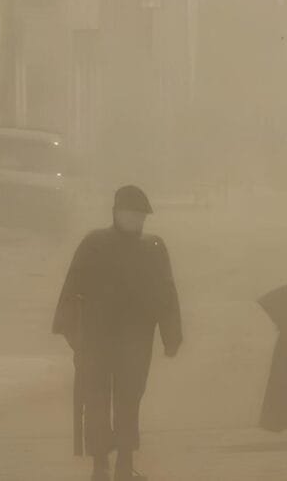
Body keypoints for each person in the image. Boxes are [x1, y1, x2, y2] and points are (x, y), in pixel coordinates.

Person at [53, 185, 182, 481]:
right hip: (96, 338)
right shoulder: (94, 244)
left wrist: (171, 333)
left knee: (129, 399)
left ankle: (124, 461)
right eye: (129, 213)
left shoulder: (153, 248)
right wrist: (72, 332)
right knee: (96, 400)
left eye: (140, 215)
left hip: (137, 339)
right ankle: (100, 464)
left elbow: (166, 293)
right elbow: (73, 288)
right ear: (116, 213)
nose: (135, 220)